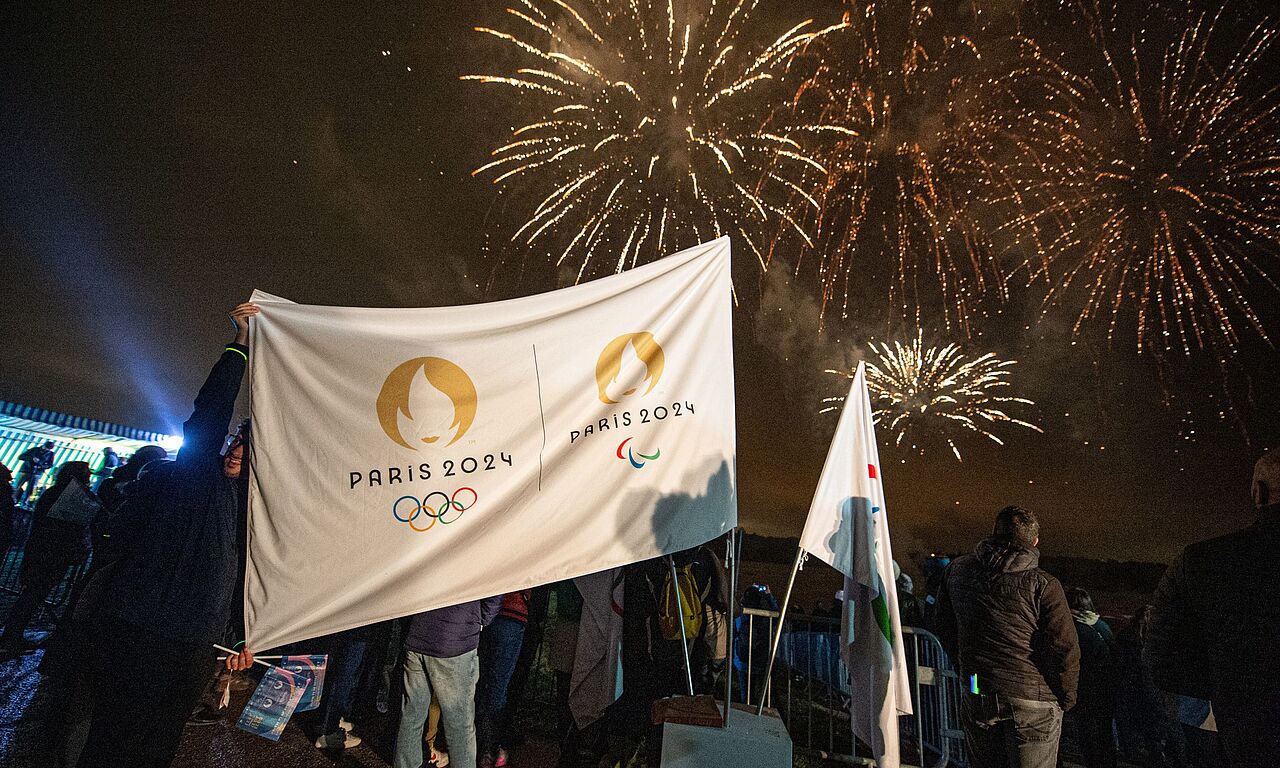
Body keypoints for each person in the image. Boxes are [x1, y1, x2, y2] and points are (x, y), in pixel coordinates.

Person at [74, 301, 260, 768]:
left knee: (157, 746)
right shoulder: (195, 475)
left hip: (193, 646)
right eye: (237, 439)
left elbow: (252, 579)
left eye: (251, 447)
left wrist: (246, 638)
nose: (238, 450)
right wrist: (240, 345)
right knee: (109, 739)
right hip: (136, 629)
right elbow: (209, 412)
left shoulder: (256, 515)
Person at [1147, 448, 1280, 767]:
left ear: (1257, 492)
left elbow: (1163, 660)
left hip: (1246, 736)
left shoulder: (1201, 561)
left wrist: (1229, 689)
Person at [933, 505, 1080, 768]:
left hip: (977, 685)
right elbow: (1064, 648)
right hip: (1031, 700)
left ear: (993, 534)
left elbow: (942, 625)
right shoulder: (1044, 585)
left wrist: (967, 670)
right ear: (1034, 542)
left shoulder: (958, 571)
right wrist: (1066, 697)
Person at [394, 595, 503, 768]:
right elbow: (494, 591)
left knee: (411, 716)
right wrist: (479, 620)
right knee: (459, 726)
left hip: (418, 632)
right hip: (456, 639)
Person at [0, 461, 97, 652]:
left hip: (42, 550)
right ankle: (11, 637)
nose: (89, 477)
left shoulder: (56, 492)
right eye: (86, 473)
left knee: (31, 595)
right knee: (32, 596)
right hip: (50, 553)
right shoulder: (69, 495)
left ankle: (12, 635)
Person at [476, 590, 532, 768]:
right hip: (512, 613)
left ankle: (475, 744)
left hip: (486, 611)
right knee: (498, 687)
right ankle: (488, 749)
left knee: (480, 681)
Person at [1063, 588, 1116, 768]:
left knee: (1087, 736)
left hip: (1085, 691)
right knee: (1105, 734)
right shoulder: (1102, 625)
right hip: (1107, 689)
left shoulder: (1074, 629)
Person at [13, 439, 56, 506]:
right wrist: (31, 458)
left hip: (36, 473)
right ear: (43, 445)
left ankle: (24, 504)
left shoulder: (50, 454)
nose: (47, 450)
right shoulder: (34, 450)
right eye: (46, 447)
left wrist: (41, 465)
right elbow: (21, 457)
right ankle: (12, 500)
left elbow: (50, 465)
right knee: (17, 487)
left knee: (30, 490)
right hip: (25, 471)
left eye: (48, 449)